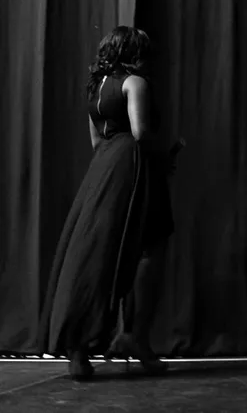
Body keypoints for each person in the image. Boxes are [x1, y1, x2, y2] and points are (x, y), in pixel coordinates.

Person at [39, 26, 178, 380]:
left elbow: (97, 142)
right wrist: (169, 153)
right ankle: (133, 336)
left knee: (95, 250)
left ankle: (78, 348)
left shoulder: (96, 88)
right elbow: (140, 132)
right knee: (150, 248)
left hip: (103, 169)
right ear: (136, 52)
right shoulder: (135, 83)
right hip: (134, 166)